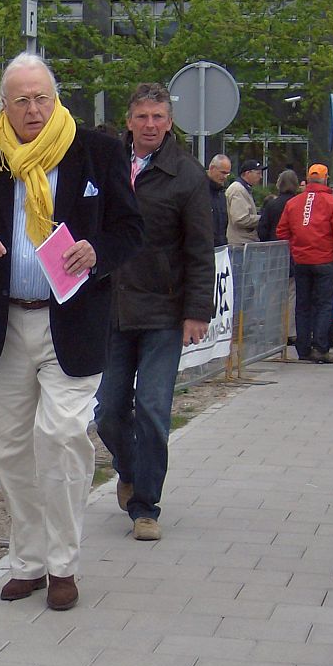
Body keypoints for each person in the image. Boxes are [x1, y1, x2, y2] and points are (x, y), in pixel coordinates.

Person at [0, 52, 143, 610]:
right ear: (3, 105)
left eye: (41, 97)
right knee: (10, 450)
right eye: (21, 99)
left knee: (62, 437)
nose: (32, 108)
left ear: (56, 99)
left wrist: (97, 251)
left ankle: (64, 564)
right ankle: (27, 559)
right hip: (2, 322)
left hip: (70, 322)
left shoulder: (96, 151)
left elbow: (130, 227)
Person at [94, 82, 215, 542]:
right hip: (111, 308)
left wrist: (196, 311)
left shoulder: (186, 174)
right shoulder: (105, 162)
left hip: (164, 311)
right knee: (107, 411)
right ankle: (128, 469)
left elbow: (201, 248)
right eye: (142, 116)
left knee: (152, 408)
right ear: (129, 120)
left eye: (158, 118)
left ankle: (145, 506)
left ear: (169, 122)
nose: (150, 125)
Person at [276, 163, 333, 364]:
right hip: (325, 261)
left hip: (302, 261)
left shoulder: (294, 203)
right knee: (323, 304)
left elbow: (282, 232)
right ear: (326, 178)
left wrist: (297, 248)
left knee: (302, 304)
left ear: (307, 179)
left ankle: (303, 348)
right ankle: (320, 348)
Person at [258, 169, 300, 342]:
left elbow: (262, 228)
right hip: (293, 253)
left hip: (274, 253)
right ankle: (289, 332)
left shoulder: (272, 204)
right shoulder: (298, 204)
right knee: (292, 293)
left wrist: (268, 242)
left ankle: (271, 329)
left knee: (274, 292)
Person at [226, 159, 263, 245]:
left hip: (244, 242)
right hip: (240, 243)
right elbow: (240, 219)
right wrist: (262, 218)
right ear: (247, 173)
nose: (261, 177)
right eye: (258, 173)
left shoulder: (243, 189)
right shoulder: (238, 190)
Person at [206, 153, 231, 247]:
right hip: (204, 249)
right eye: (223, 172)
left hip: (220, 248)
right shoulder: (199, 191)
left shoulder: (221, 194)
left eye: (227, 173)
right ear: (212, 168)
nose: (225, 177)